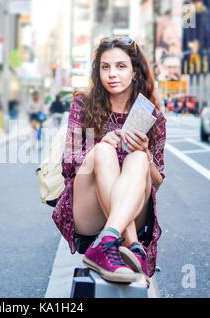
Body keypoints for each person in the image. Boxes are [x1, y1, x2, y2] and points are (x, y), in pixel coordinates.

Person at [52, 37, 167, 283]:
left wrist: (146, 154)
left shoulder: (152, 116)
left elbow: (157, 182)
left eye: (121, 66)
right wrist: (103, 143)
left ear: (135, 72)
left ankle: (108, 240)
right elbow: (69, 164)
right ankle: (131, 244)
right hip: (88, 208)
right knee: (103, 152)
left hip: (132, 212)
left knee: (138, 158)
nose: (112, 74)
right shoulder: (83, 105)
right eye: (105, 67)